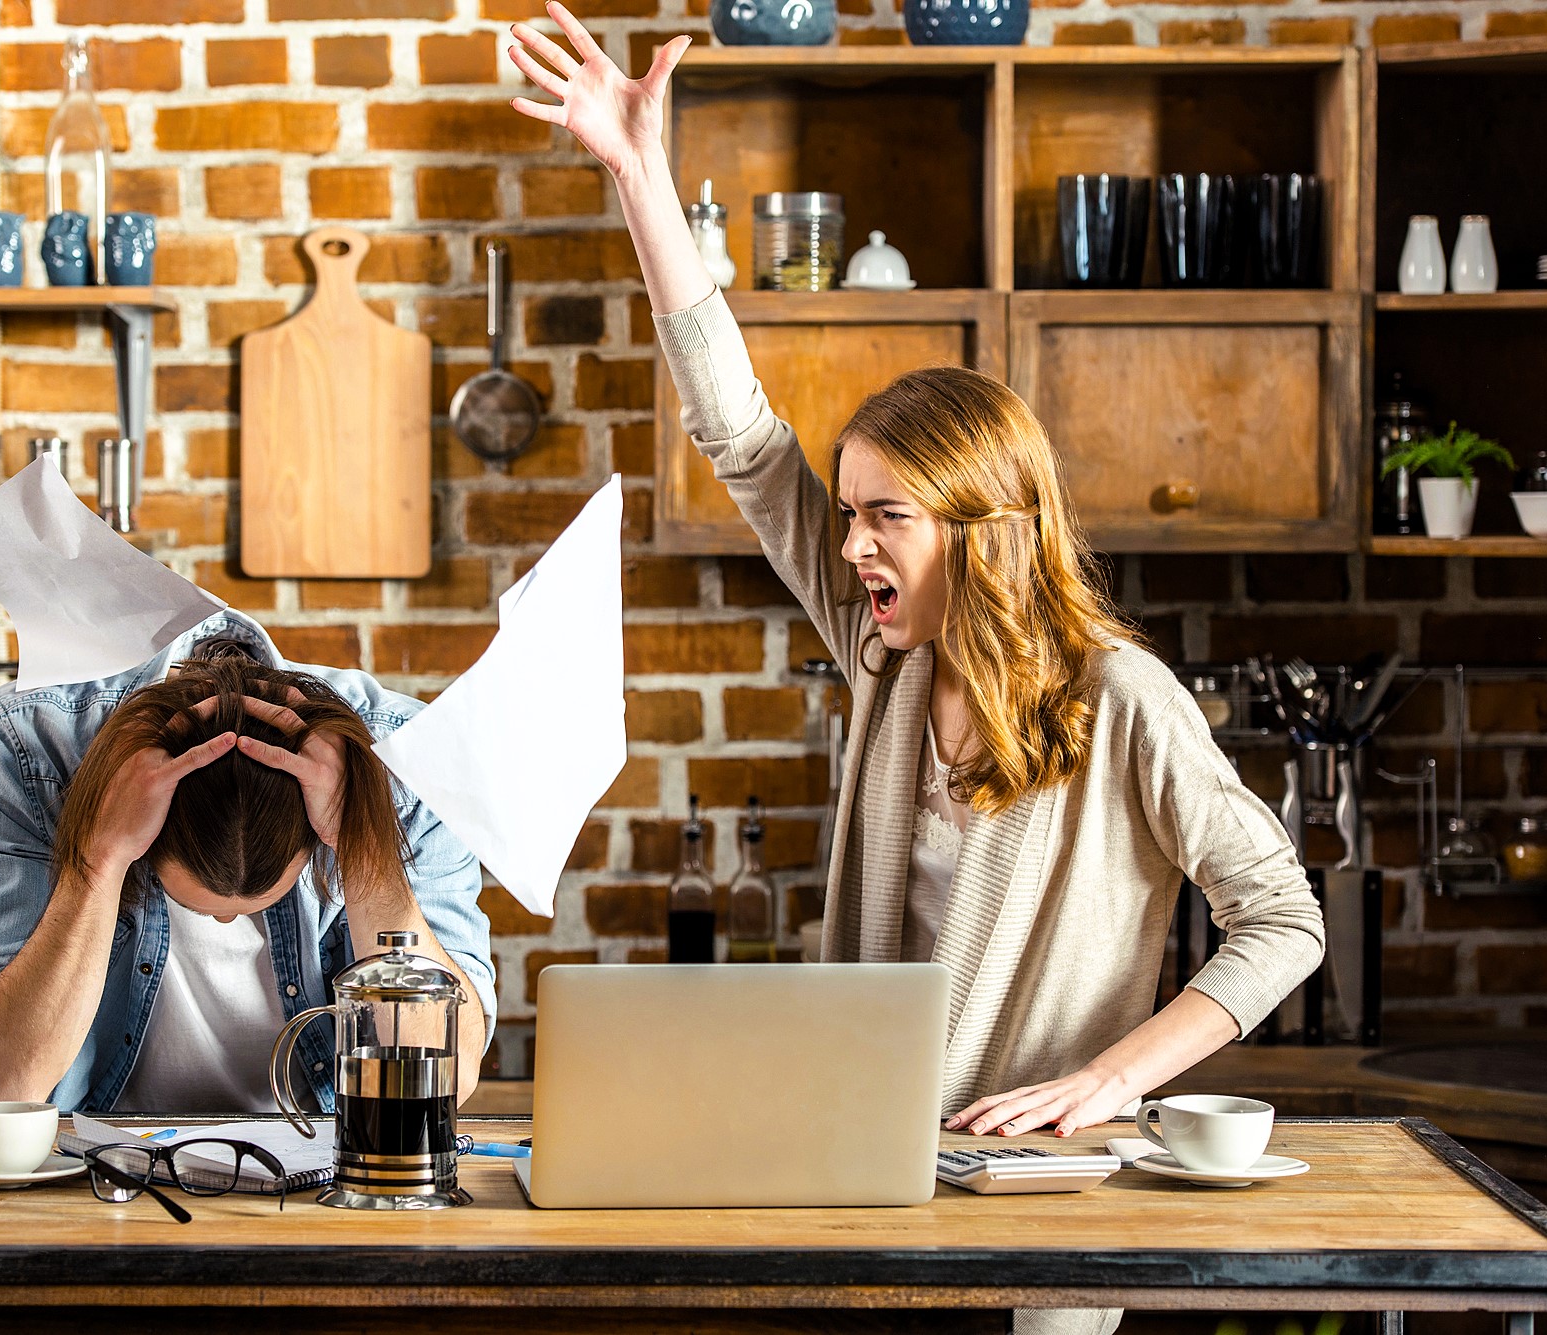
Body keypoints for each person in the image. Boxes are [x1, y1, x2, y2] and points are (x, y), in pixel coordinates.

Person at [507, 13, 1323, 1331]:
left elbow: (1283, 915)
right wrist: (635, 174)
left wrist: (1114, 1079)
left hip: (1041, 1195)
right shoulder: (886, 653)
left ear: (981, 524)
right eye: (849, 511)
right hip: (870, 1174)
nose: (848, 542)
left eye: (886, 514)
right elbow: (739, 431)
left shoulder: (1120, 700)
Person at [0, 608, 495, 1116]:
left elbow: (444, 1077)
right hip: (97, 1170)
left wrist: (365, 850)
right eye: (189, 901)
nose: (225, 924)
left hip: (326, 1159)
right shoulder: (28, 744)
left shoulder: (405, 759)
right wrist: (99, 859)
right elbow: (11, 1082)